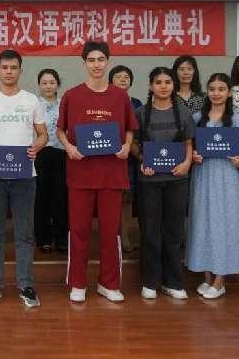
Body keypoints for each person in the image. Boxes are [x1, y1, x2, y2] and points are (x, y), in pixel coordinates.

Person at [56, 42, 136, 303]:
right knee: (78, 230)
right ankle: (77, 283)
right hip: (80, 174)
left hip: (112, 174)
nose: (96, 64)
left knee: (110, 232)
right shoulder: (71, 95)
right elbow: (60, 130)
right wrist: (69, 147)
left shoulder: (120, 96)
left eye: (101, 59)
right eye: (91, 60)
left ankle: (109, 283)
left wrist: (127, 145)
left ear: (107, 61)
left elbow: (129, 128)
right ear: (84, 63)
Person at [0, 49, 47, 308]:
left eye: (13, 67)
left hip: (25, 177)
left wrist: (36, 146)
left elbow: (43, 135)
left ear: (20, 70)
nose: (8, 72)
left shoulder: (31, 100)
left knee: (24, 232)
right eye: (4, 67)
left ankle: (26, 285)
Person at [132, 67, 195, 300]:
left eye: (168, 82)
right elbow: (133, 144)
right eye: (158, 82)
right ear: (151, 86)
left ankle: (173, 282)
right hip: (149, 180)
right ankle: (150, 281)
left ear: (173, 85)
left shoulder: (183, 112)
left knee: (174, 232)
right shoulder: (140, 113)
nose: (163, 86)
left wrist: (187, 163)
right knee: (150, 231)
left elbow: (188, 144)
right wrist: (142, 160)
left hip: (177, 179)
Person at [187, 73, 239, 300]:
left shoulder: (238, 119)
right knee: (203, 223)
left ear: (229, 92)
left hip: (227, 177)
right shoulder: (197, 118)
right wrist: (194, 156)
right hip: (203, 176)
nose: (216, 93)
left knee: (225, 224)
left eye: (221, 89)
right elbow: (190, 148)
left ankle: (220, 280)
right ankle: (207, 278)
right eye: (212, 89)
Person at [109, 65, 142, 252]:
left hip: (130, 156)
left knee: (127, 199)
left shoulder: (137, 103)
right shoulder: (104, 100)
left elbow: (140, 129)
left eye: (126, 77)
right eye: (118, 76)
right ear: (111, 81)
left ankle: (126, 237)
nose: (123, 79)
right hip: (108, 156)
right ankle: (111, 237)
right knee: (110, 198)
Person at [34, 68, 68, 252]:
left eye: (52, 82)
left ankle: (61, 237)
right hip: (39, 154)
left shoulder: (65, 104)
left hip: (62, 154)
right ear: (39, 85)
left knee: (61, 197)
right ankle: (43, 237)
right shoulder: (32, 104)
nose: (48, 86)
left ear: (58, 84)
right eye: (44, 83)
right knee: (41, 197)